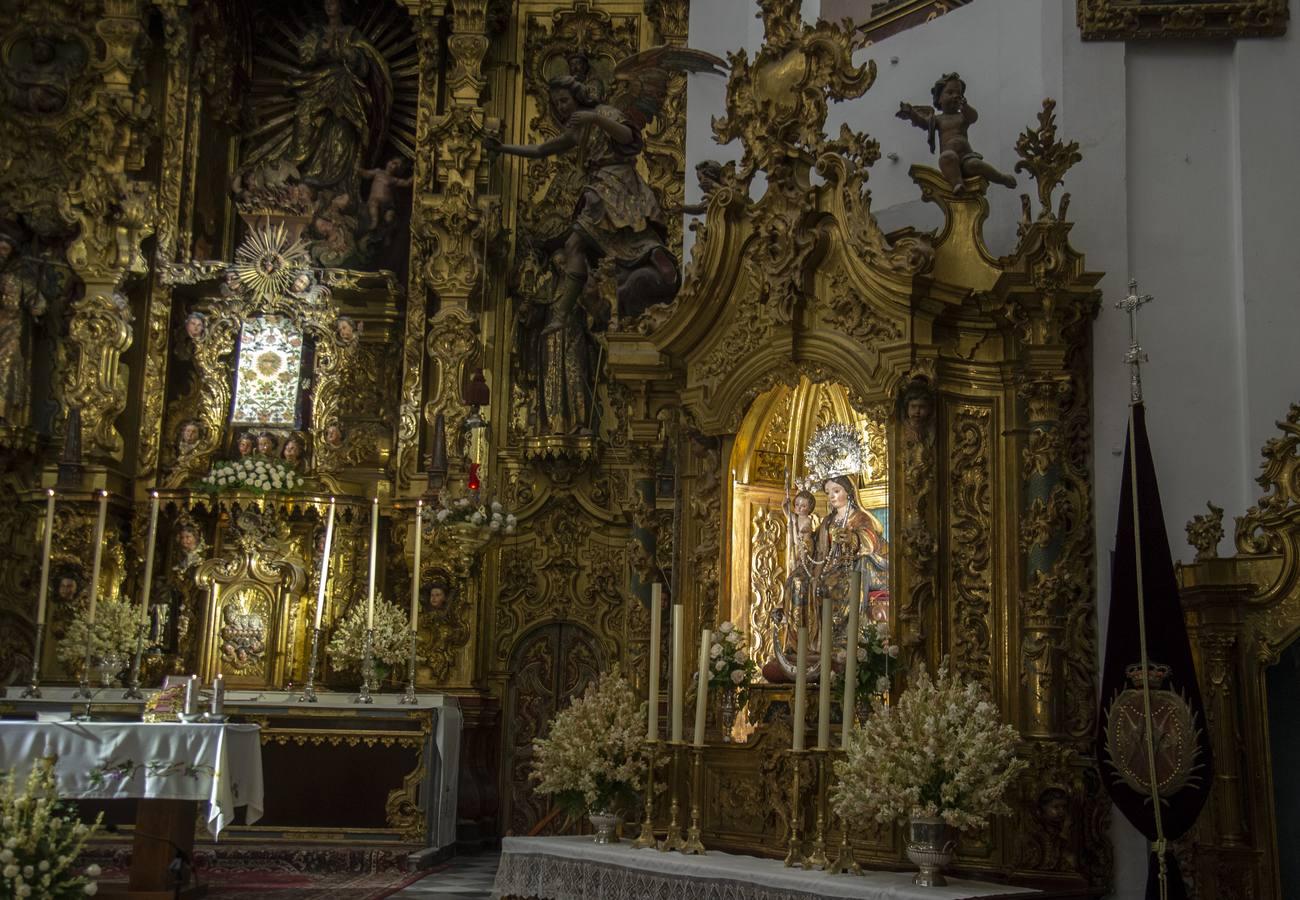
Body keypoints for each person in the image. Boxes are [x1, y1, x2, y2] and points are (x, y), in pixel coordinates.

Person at [485, 76, 670, 335]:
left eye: (564, 100)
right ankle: (562, 314)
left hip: (617, 184)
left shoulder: (604, 112)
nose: (560, 107)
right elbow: (541, 150)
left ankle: (562, 314)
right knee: (584, 243)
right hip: (598, 188)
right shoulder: (576, 129)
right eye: (556, 103)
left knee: (585, 241)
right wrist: (503, 148)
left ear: (577, 97)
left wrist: (595, 119)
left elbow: (628, 136)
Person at [897, 73, 1016, 193]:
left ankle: (1002, 178)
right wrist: (911, 113)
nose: (955, 96)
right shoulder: (938, 119)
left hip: (967, 156)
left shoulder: (962, 116)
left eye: (958, 94)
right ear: (939, 98)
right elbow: (922, 122)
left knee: (976, 164)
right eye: (950, 93)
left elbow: (973, 117)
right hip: (949, 156)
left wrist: (965, 106)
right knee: (947, 157)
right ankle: (958, 184)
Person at [358, 157, 412, 229]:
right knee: (374, 207)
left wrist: (415, 175)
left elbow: (407, 183)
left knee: (390, 217)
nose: (394, 166)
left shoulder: (394, 179)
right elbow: (367, 174)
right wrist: (359, 170)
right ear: (388, 162)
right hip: (375, 200)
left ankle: (384, 230)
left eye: (398, 166)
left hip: (388, 205)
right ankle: (374, 222)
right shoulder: (378, 172)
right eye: (394, 163)